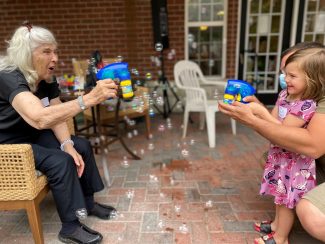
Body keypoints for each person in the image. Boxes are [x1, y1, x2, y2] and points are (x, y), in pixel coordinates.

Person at [0, 22, 118, 243]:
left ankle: (88, 202)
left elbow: (54, 112)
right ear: (26, 54)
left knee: (80, 145)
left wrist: (68, 145)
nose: (54, 57)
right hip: (9, 146)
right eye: (47, 51)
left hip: (33, 134)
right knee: (60, 161)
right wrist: (89, 99)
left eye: (55, 51)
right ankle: (70, 227)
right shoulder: (8, 76)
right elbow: (39, 117)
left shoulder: (46, 77)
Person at [219, 43, 325, 244]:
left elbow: (283, 129)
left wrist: (256, 115)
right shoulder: (285, 95)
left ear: (310, 79)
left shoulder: (306, 104)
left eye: (292, 75)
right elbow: (274, 122)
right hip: (282, 155)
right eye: (285, 74)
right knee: (279, 192)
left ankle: (281, 238)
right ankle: (277, 225)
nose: (285, 79)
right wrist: (257, 109)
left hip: (295, 162)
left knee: (285, 198)